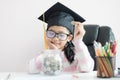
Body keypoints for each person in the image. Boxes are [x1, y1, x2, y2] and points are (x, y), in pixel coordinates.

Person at [28, 2, 94, 73]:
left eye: (61, 35)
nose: (55, 38)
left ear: (69, 38)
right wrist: (53, 53)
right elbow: (31, 69)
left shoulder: (76, 53)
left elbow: (87, 68)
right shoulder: (44, 55)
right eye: (51, 33)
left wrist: (78, 41)